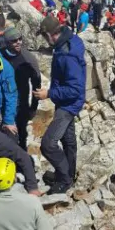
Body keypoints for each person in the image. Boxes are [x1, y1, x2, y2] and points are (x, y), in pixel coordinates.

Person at [33, 15, 86, 195]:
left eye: (44, 36)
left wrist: (49, 93)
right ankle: (69, 173)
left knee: (48, 144)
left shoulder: (67, 54)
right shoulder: (68, 41)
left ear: (50, 34)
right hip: (66, 101)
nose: (44, 40)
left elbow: (75, 89)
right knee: (67, 140)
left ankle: (64, 180)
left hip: (68, 105)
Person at [0, 27, 41, 150]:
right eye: (14, 40)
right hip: (2, 102)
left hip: (21, 103)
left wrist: (33, 107)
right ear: (7, 43)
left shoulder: (29, 59)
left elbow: (36, 85)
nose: (18, 42)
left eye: (20, 39)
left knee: (21, 135)